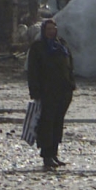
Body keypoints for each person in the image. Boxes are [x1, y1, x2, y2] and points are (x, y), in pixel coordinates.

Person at [27, 18, 75, 170]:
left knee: (57, 122)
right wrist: (35, 91)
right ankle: (46, 155)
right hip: (46, 91)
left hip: (63, 91)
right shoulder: (38, 47)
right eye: (48, 29)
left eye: (53, 29)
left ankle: (54, 152)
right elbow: (33, 70)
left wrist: (71, 84)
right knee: (46, 122)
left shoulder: (61, 45)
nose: (51, 32)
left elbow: (70, 65)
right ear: (43, 31)